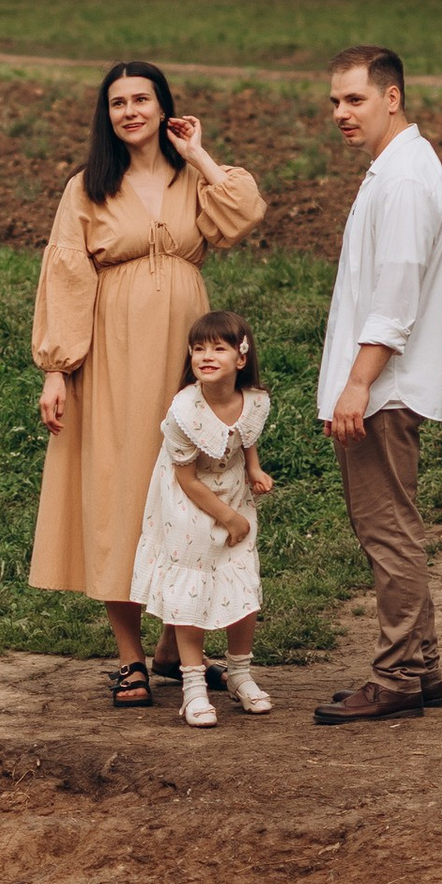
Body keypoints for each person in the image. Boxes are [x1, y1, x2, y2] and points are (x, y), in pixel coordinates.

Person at [29, 60, 267, 707]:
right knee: (123, 490)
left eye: (142, 99)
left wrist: (200, 153)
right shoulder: (89, 187)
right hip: (114, 359)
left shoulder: (193, 176)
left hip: (187, 356)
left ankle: (175, 645)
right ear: (105, 117)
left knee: (190, 488)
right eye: (117, 103)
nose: (130, 111)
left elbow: (244, 214)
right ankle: (131, 656)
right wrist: (56, 369)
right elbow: (68, 275)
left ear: (165, 108)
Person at [312, 43, 442, 725]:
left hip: (384, 388)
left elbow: (395, 300)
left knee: (388, 533)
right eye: (335, 101)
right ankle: (421, 669)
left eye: (355, 99)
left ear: (391, 97)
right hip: (385, 383)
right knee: (394, 526)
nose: (342, 113)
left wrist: (356, 386)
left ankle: (396, 676)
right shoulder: (396, 168)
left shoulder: (402, 181)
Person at [128, 308, 276, 728]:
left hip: (232, 490)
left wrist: (253, 468)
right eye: (198, 349)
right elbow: (187, 480)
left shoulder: (255, 401)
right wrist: (230, 519)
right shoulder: (183, 412)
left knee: (241, 579)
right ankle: (193, 684)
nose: (206, 355)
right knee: (191, 587)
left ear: (240, 359)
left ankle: (240, 672)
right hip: (187, 503)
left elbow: (245, 436)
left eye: (218, 348)